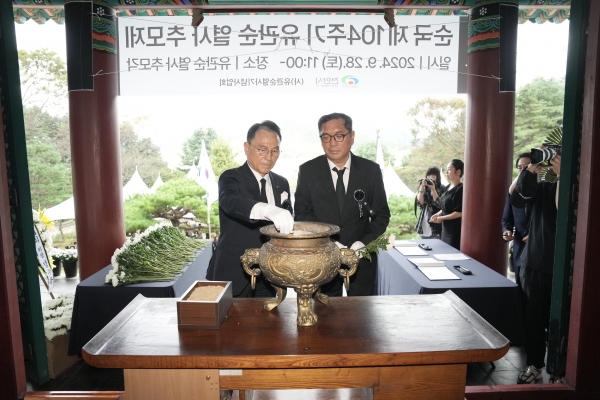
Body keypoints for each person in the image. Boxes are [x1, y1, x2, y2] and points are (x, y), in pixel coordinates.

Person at [294, 112, 390, 296]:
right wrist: (329, 242)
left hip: (362, 258)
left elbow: (382, 214)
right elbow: (301, 214)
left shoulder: (370, 171)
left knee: (362, 310)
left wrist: (362, 243)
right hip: (322, 259)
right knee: (324, 310)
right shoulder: (308, 171)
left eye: (339, 136)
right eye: (326, 137)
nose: (332, 143)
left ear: (352, 137)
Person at [205, 121, 294, 298]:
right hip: (234, 270)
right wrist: (268, 210)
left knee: (271, 314)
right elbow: (231, 201)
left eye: (274, 151)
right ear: (247, 148)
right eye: (262, 149)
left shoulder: (282, 183)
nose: (269, 157)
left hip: (270, 274)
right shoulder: (231, 177)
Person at [510, 153, 561, 384]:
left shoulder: (569, 187)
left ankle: (560, 370)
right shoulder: (539, 188)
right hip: (534, 263)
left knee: (560, 322)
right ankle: (534, 365)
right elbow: (516, 197)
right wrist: (531, 166)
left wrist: (562, 175)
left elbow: (562, 207)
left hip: (561, 267)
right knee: (533, 319)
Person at [502, 153, 533, 285]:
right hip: (520, 250)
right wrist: (506, 231)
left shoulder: (545, 191)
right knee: (519, 289)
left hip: (539, 253)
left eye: (527, 167)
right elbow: (506, 219)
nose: (523, 171)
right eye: (520, 168)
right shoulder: (513, 192)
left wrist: (535, 236)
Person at [430, 159, 464, 250]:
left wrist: (442, 218)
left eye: (449, 169)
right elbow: (445, 207)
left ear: (458, 172)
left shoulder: (460, 189)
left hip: (454, 231)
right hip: (445, 229)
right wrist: (438, 214)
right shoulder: (448, 187)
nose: (446, 172)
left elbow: (459, 212)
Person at [414, 166, 446, 238]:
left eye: (433, 175)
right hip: (423, 221)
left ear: (437, 176)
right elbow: (420, 203)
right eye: (428, 175)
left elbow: (439, 205)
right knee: (423, 243)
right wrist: (422, 187)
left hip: (435, 222)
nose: (430, 177)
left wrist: (433, 189)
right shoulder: (424, 187)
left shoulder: (442, 188)